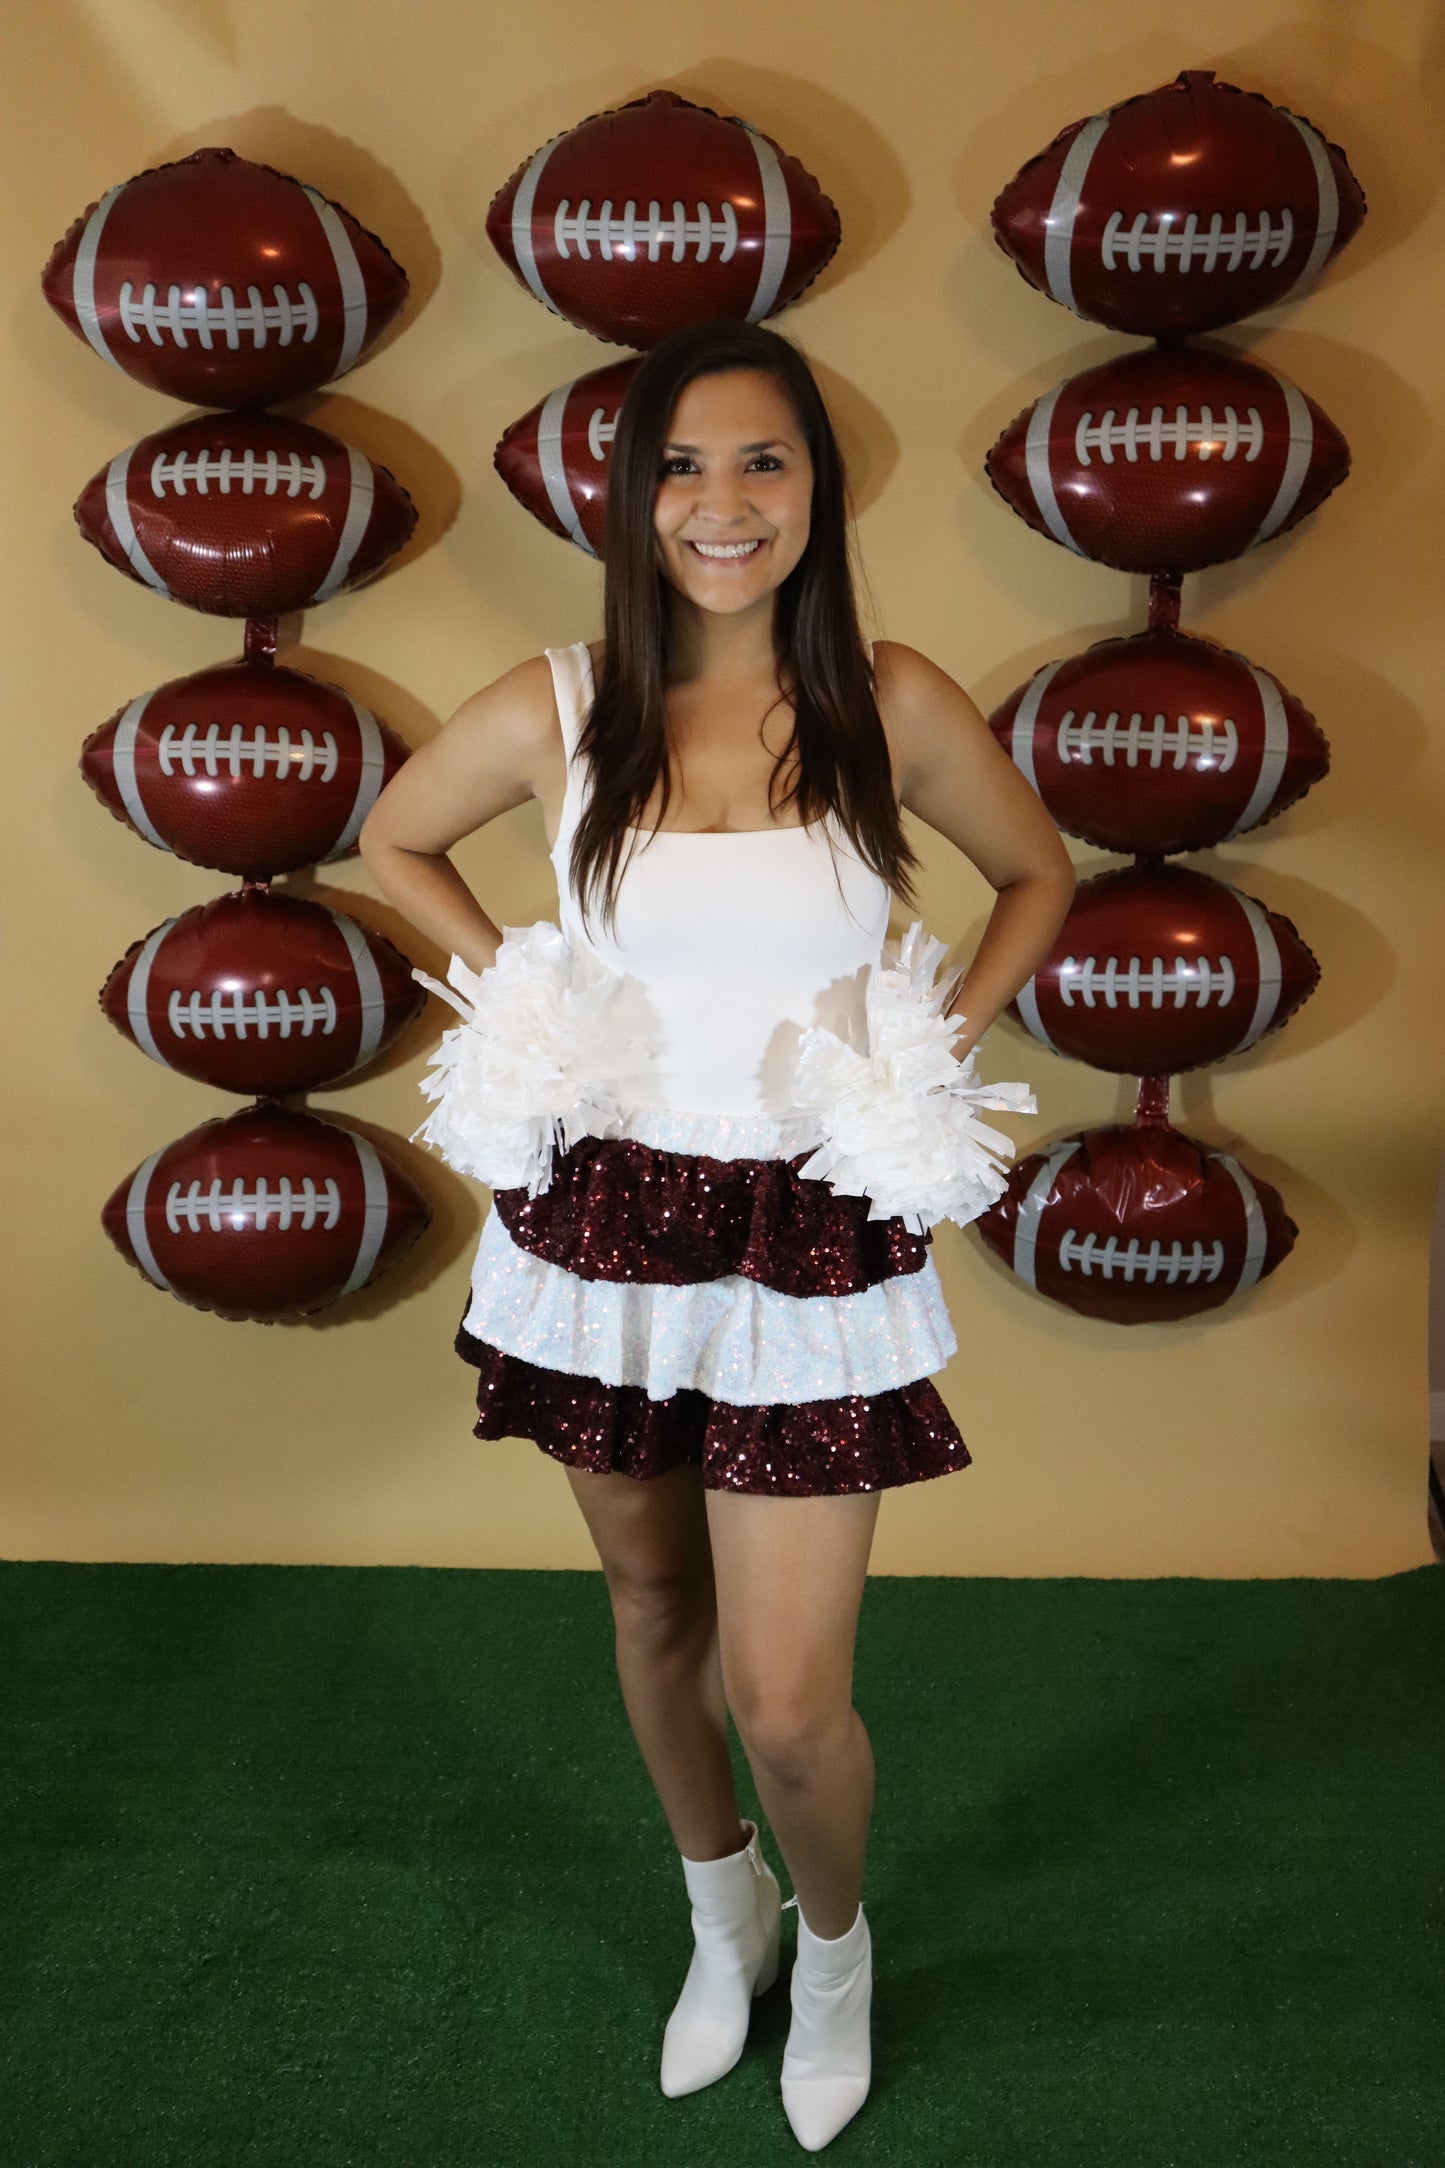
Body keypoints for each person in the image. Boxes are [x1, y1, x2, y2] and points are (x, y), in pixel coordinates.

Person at [358, 317, 1075, 2152]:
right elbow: (399, 838)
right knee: (653, 1603)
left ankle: (831, 1947)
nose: (721, 501)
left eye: (761, 460)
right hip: (607, 1221)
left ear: (818, 488)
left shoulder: (888, 697)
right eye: (681, 465)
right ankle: (719, 1910)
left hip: (813, 1226)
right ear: (631, 498)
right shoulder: (559, 699)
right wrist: (528, 1014)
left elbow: (1038, 873)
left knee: (786, 1692)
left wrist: (928, 1045)